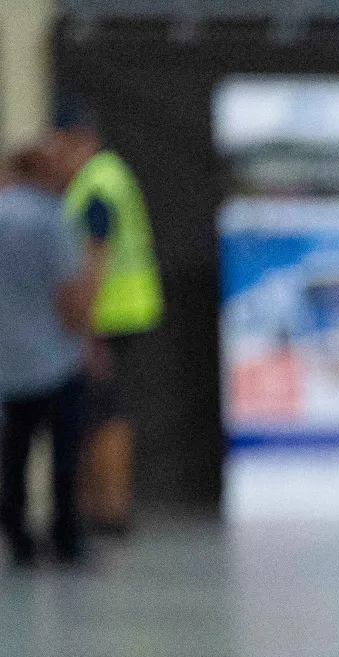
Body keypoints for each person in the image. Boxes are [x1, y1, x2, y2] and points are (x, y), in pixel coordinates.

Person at [42, 97, 164, 535]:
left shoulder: (96, 185)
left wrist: (86, 326)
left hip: (110, 316)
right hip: (121, 311)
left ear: (79, 141)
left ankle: (109, 511)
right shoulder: (106, 176)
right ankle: (105, 508)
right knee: (102, 412)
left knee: (102, 414)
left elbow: (96, 259)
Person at [0, 145, 95, 569]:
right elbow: (69, 294)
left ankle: (17, 538)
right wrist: (86, 337)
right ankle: (65, 539)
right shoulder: (51, 218)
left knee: (13, 455)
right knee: (63, 452)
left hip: (6, 358)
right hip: (54, 357)